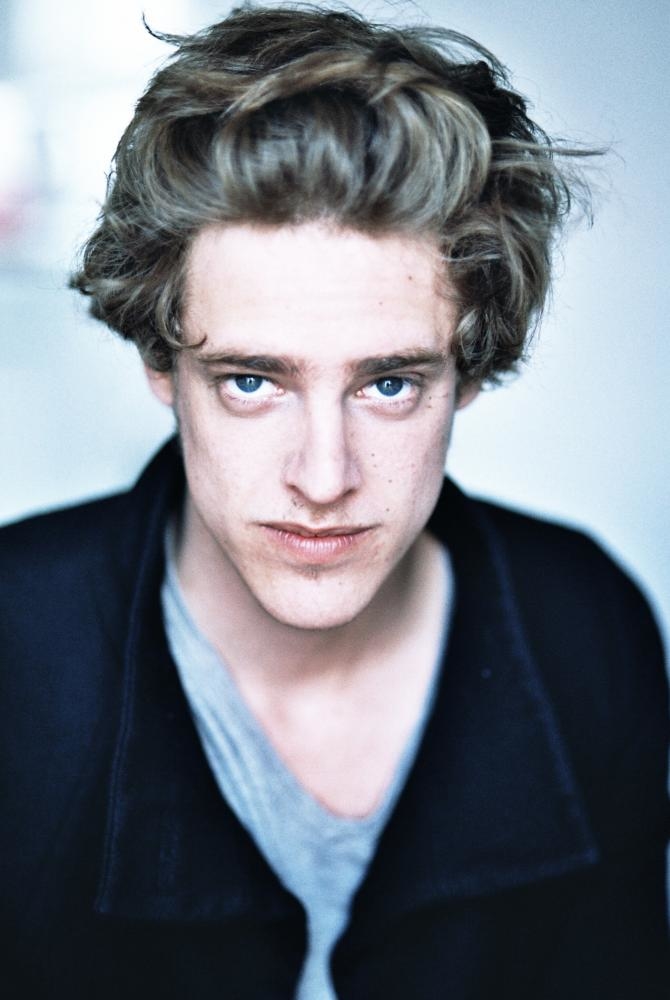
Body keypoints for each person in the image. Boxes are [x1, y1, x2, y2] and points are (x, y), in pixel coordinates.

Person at [2, 4, 668, 998]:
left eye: (388, 384)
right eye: (252, 381)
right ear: (160, 365)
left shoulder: (582, 625)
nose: (323, 479)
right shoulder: (14, 645)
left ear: (467, 373)